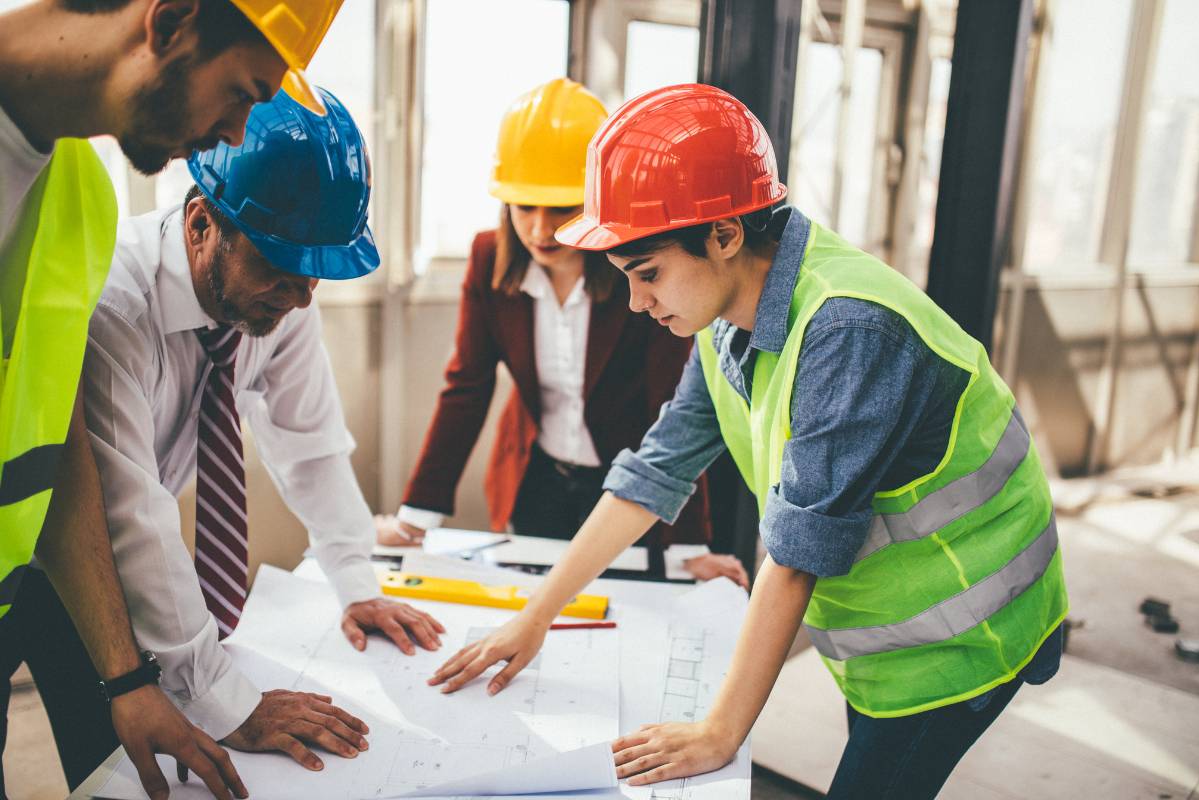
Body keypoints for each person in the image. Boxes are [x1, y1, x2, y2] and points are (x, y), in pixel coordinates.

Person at [429, 84, 1069, 799]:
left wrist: (719, 734)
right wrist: (535, 615)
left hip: (962, 640)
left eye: (648, 275)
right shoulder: (729, 315)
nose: (639, 304)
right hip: (890, 632)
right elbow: (657, 469)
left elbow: (795, 557)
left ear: (726, 234)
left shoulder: (846, 330)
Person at [0, 1, 346, 798]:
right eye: (241, 93)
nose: (234, 136)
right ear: (173, 19)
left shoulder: (76, 198)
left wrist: (128, 680)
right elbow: (133, 501)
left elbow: (63, 449)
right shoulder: (119, 271)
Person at [68, 87, 447, 784]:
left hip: (127, 546)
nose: (303, 297)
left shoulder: (280, 297)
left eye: (315, 275)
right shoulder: (118, 303)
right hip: (55, 561)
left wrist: (354, 578)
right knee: (109, 758)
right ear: (201, 222)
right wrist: (229, 703)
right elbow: (132, 512)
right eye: (279, 268)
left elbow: (310, 443)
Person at [378, 78, 745, 586]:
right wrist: (416, 517)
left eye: (560, 208)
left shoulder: (640, 272)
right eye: (525, 207)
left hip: (627, 482)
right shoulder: (488, 260)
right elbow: (466, 388)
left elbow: (676, 405)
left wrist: (689, 549)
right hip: (534, 477)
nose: (539, 229)